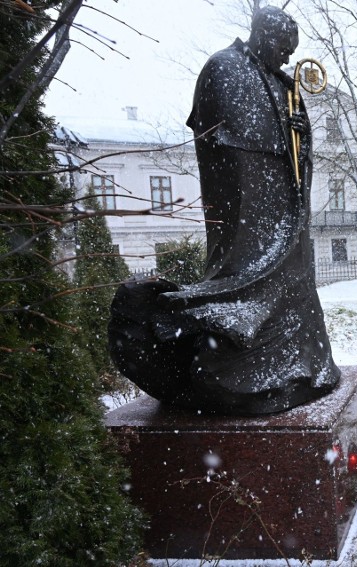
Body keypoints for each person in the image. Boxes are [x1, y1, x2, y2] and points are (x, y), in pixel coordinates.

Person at [108, 7, 340, 415]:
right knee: (246, 267)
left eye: (291, 52)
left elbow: (293, 141)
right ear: (263, 36)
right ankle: (222, 351)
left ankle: (300, 361)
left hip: (281, 197)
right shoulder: (224, 67)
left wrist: (300, 135)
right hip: (245, 194)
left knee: (294, 271)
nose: (286, 58)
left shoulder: (280, 80)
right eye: (283, 48)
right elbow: (219, 138)